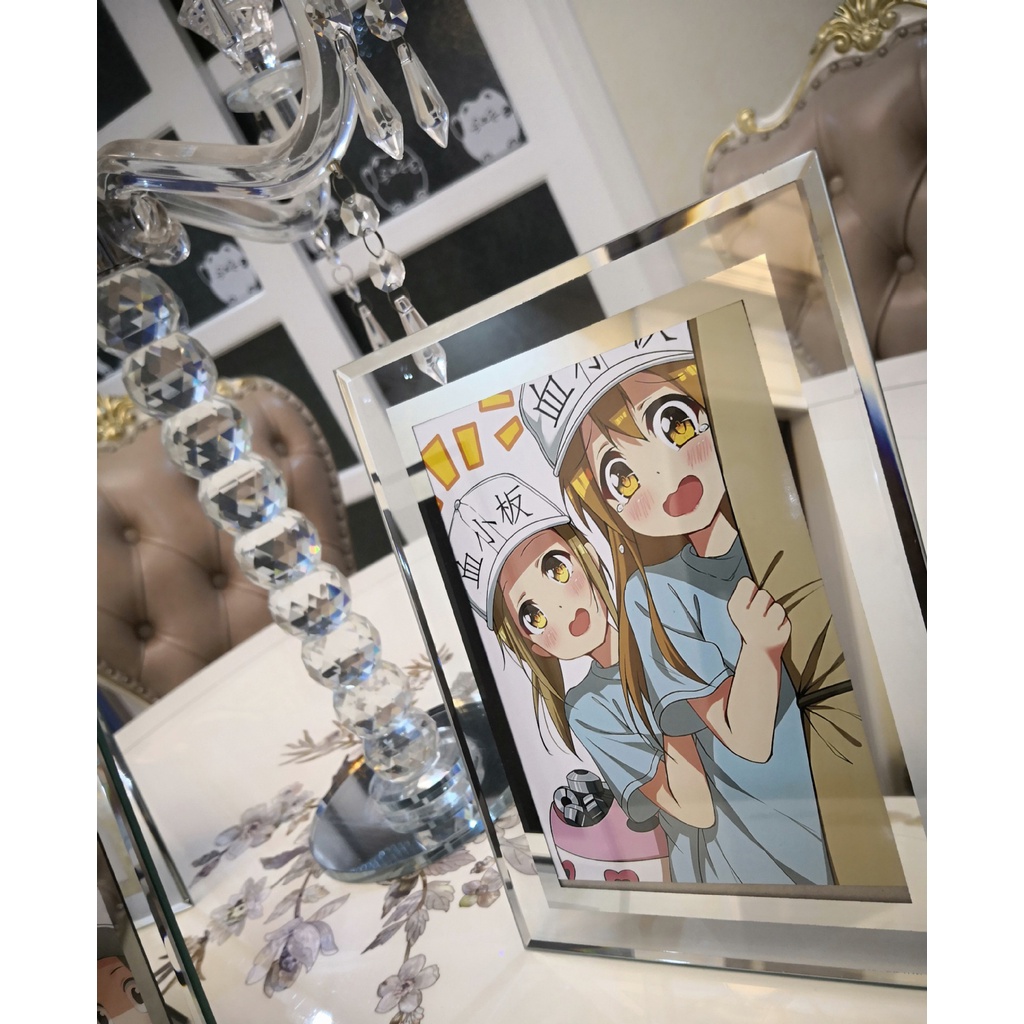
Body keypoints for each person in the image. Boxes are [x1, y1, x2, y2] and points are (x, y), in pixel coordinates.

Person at [521, 329, 833, 885]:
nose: (664, 475)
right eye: (622, 477)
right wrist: (759, 651)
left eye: (676, 424)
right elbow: (746, 740)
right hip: (757, 862)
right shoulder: (654, 596)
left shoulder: (775, 528)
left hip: (828, 819)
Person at [447, 473, 714, 877]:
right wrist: (671, 699)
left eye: (556, 569)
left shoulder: (661, 607)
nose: (560, 607)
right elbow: (694, 808)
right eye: (533, 615)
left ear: (585, 555)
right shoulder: (589, 709)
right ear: (534, 646)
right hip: (719, 869)